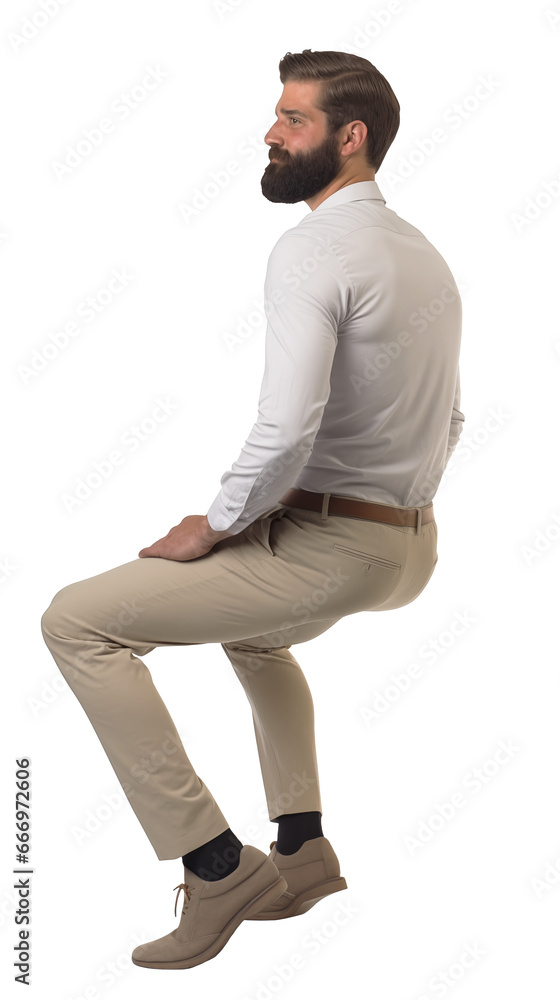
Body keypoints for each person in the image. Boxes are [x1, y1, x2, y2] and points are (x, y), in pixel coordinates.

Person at [41, 48, 464, 971]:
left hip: (332, 544)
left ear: (350, 140)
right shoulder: (421, 252)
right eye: (277, 116)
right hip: (409, 548)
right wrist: (394, 511)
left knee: (75, 621)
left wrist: (218, 522)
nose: (270, 135)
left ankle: (218, 866)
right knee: (259, 636)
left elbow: (286, 424)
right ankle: (303, 850)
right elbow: (452, 416)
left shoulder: (315, 246)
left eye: (294, 120)